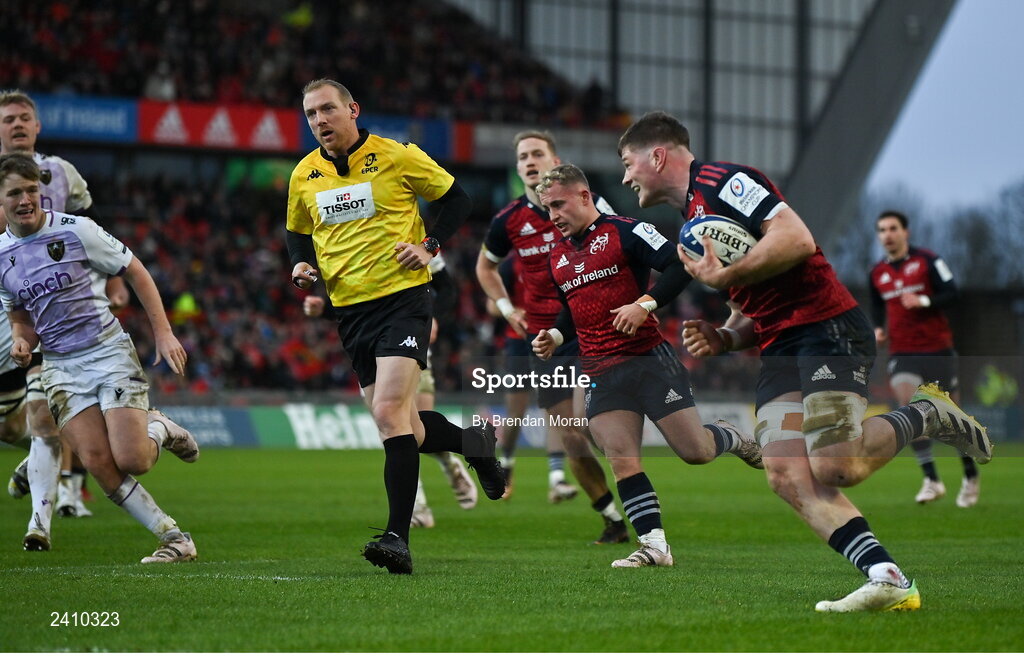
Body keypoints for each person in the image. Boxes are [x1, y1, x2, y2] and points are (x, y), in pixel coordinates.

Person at [617, 111, 990, 610]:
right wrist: (725, 338)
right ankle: (888, 577)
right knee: (785, 474)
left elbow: (796, 239)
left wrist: (727, 278)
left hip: (826, 326)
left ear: (657, 155)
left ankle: (928, 412)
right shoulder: (692, 223)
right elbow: (753, 309)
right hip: (780, 346)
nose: (625, 176)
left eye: (627, 162)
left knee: (835, 466)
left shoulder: (725, 182)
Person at [286, 78, 504, 575]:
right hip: (350, 311)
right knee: (406, 426)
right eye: (311, 115)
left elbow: (459, 199)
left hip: (403, 299)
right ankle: (476, 444)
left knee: (388, 413)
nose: (320, 121)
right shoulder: (304, 175)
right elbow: (297, 231)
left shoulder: (397, 156)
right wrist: (300, 266)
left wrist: (429, 246)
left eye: (327, 110)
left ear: (352, 110)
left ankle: (397, 538)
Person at [531, 164, 763, 567]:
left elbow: (678, 266)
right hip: (601, 371)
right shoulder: (557, 256)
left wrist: (645, 304)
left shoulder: (627, 230)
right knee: (620, 454)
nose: (552, 216)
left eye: (557, 205)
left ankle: (730, 437)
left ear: (584, 197)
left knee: (696, 452)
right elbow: (572, 311)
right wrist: (554, 335)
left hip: (649, 360)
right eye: (546, 208)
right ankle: (654, 546)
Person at [0, 153, 199, 560]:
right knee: (98, 463)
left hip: (107, 353)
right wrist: (22, 340)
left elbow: (135, 270)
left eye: (32, 190)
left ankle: (159, 428)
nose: (25, 199)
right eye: (14, 192)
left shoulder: (77, 231)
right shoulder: (1, 255)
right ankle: (175, 540)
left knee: (133, 459)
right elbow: (18, 311)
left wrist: (163, 332)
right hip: (58, 367)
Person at [476, 130, 627, 544]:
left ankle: (638, 495)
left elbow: (622, 239)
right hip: (543, 341)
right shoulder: (508, 221)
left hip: (591, 327)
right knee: (572, 433)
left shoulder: (584, 206)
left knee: (593, 426)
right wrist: (508, 309)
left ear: (554, 159)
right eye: (522, 155)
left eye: (537, 153)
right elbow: (484, 269)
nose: (529, 161)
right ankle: (613, 518)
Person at [1, 89, 130, 521]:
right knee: (16, 421)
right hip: (6, 301)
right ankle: (36, 459)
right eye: (8, 120)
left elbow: (91, 224)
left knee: (53, 401)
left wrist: (112, 277)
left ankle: (48, 513)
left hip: (48, 309)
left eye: (24, 118)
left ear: (37, 127)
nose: (17, 125)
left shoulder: (60, 173)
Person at [870, 211, 980, 507]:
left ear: (905, 232)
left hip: (937, 348)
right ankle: (931, 479)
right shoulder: (877, 273)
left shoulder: (929, 261)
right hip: (903, 352)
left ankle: (970, 475)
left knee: (953, 418)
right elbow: (878, 307)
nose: (887, 234)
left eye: (893, 228)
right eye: (882, 230)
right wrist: (879, 329)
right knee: (910, 408)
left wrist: (925, 300)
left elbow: (953, 293)